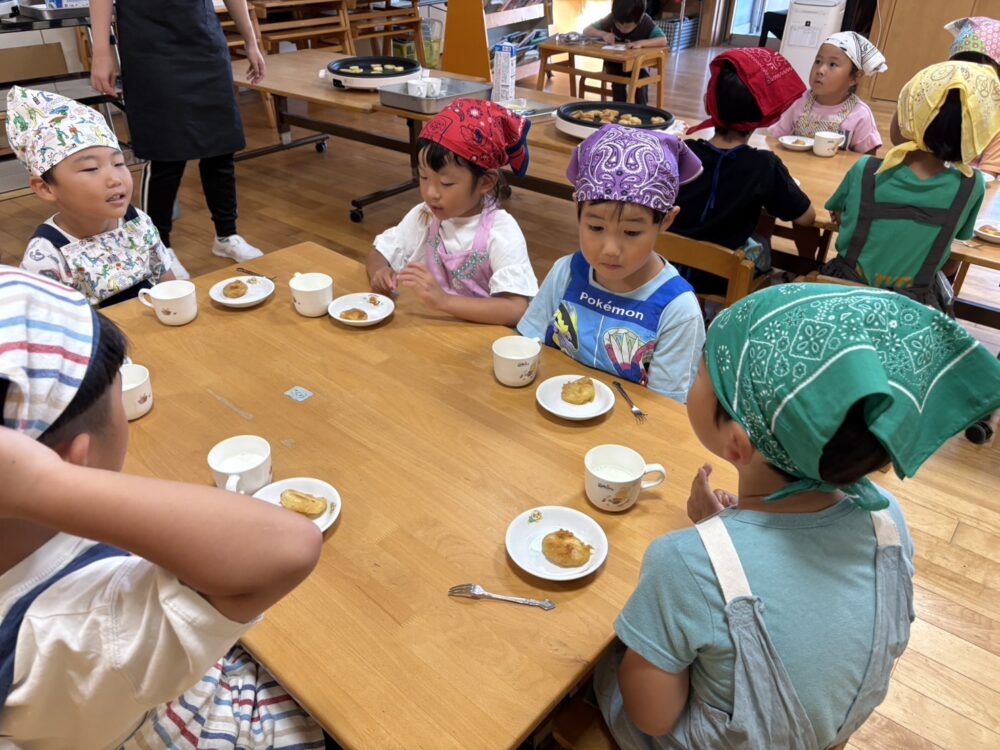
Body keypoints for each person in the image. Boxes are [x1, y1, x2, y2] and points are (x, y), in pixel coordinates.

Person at [595, 282, 1000, 750]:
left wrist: (707, 548)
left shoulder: (682, 564)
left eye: (702, 371)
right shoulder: (888, 519)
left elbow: (653, 718)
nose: (694, 378)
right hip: (823, 737)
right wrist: (719, 538)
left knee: (594, 658)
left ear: (737, 442)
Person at [0, 267, 325, 749]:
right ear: (70, 462)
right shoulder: (80, 628)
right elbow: (289, 545)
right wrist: (47, 486)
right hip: (212, 720)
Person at [517, 124, 705, 404]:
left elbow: (666, 408)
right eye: (595, 227)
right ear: (577, 210)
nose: (610, 250)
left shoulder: (677, 310)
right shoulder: (566, 273)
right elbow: (527, 344)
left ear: (666, 220)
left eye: (631, 232)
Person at [89, 0, 268, 279]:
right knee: (165, 154)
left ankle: (226, 236)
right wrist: (101, 52)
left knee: (220, 146)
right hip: (149, 45)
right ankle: (158, 248)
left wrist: (251, 41)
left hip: (204, 41)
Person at [824, 62, 1000, 308]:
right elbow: (954, 246)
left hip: (843, 294)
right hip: (912, 308)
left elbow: (840, 218)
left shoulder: (866, 170)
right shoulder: (971, 186)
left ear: (910, 118)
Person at [367, 99, 538, 326]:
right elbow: (380, 251)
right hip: (434, 329)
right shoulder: (425, 216)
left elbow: (516, 309)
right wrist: (380, 272)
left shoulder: (501, 231)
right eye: (423, 177)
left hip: (482, 338)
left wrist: (444, 301)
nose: (430, 193)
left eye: (446, 183)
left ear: (486, 182)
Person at [5, 86, 175, 307]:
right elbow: (48, 322)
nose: (115, 179)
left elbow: (168, 281)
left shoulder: (137, 222)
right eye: (91, 168)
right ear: (45, 188)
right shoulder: (47, 256)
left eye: (119, 163)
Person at [673, 48, 816, 287]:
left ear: (708, 104)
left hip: (668, 269)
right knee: (762, 243)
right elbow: (806, 218)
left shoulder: (683, 152)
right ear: (763, 113)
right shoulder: (764, 165)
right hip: (723, 278)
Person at [890, 17, 1000, 175]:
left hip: (951, 182)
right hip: (942, 181)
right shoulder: (931, 92)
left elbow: (898, 139)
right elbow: (899, 139)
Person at [768, 31, 886, 154]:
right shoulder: (799, 102)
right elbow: (775, 139)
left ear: (855, 77)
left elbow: (867, 160)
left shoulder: (860, 114)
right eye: (818, 61)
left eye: (832, 64)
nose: (820, 70)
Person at [582, 0, 667, 106]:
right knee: (617, 86)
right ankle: (620, 109)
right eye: (618, 25)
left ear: (640, 18)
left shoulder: (646, 22)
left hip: (638, 66)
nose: (622, 29)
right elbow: (587, 30)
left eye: (627, 27)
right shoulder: (612, 17)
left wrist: (641, 43)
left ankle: (641, 110)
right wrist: (604, 34)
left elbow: (663, 40)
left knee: (640, 85)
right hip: (615, 64)